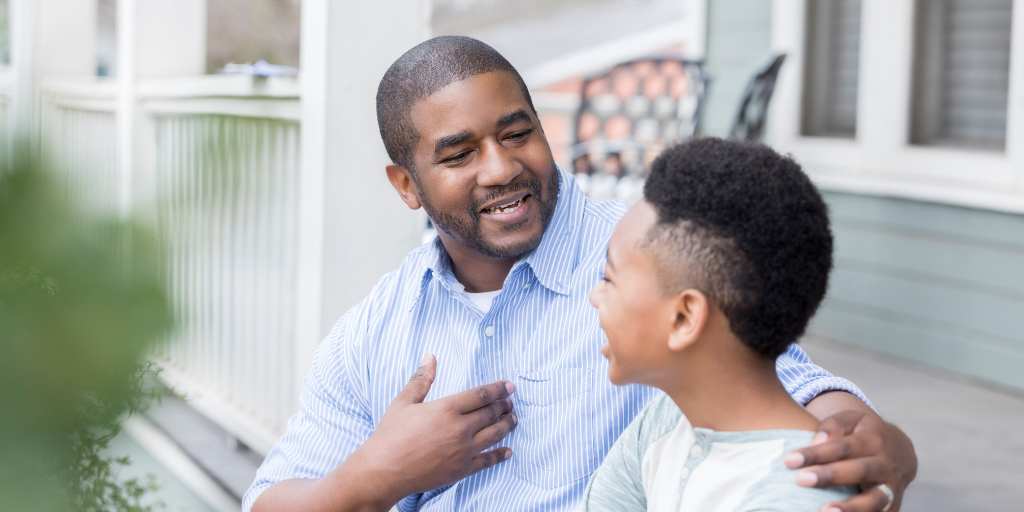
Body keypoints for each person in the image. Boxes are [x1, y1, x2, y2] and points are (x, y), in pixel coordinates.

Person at [245, 36, 917, 512]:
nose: (501, 167)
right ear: (406, 185)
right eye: (459, 153)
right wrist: (378, 474)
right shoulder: (380, 326)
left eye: (517, 133)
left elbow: (775, 380)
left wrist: (871, 443)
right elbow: (273, 500)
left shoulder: (640, 254)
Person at [582, 138, 856, 511]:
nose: (595, 297)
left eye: (609, 279)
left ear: (684, 318)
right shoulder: (666, 424)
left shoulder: (798, 494)